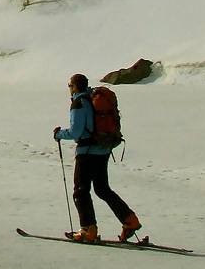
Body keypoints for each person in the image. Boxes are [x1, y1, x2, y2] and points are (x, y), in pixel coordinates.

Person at [54, 73, 141, 243]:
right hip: (103, 150)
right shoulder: (93, 99)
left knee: (81, 191)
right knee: (102, 189)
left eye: (70, 86)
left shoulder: (79, 103)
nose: (69, 90)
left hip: (87, 152)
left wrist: (59, 134)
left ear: (75, 87)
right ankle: (130, 221)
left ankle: (88, 229)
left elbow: (76, 132)